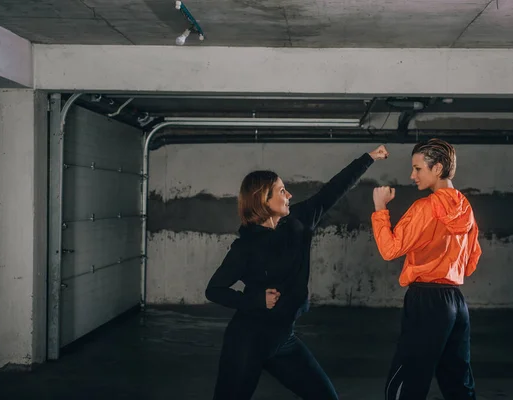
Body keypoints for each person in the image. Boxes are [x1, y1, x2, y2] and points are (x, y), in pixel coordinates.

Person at [205, 145, 389, 400]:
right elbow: (214, 290)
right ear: (263, 200)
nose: (289, 195)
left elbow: (334, 189)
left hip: (283, 340)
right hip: (246, 343)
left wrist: (368, 158)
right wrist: (256, 300)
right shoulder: (245, 247)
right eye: (282, 191)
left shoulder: (299, 221)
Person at [371, 139, 482, 400]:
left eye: (418, 168)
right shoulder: (466, 208)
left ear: (438, 168)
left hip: (426, 300)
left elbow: (390, 249)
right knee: (458, 382)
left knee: (405, 382)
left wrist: (379, 208)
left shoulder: (425, 208)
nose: (412, 175)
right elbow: (471, 261)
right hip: (456, 301)